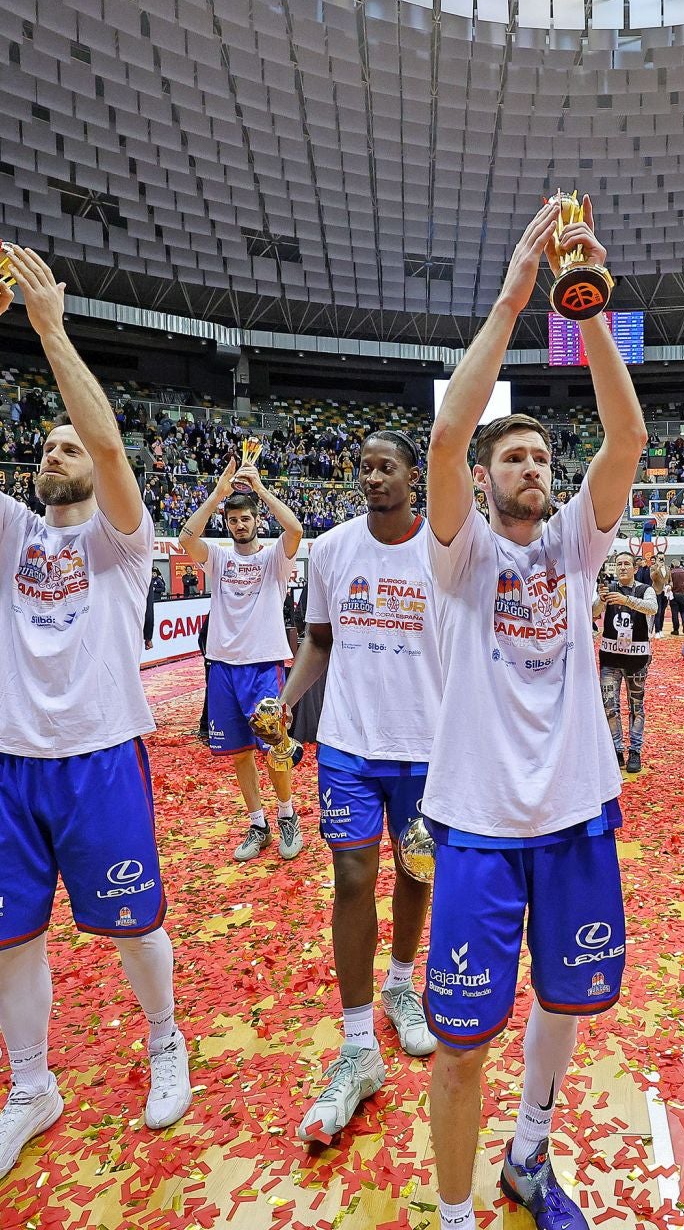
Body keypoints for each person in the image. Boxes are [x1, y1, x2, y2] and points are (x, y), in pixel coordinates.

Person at [0, 246, 189, 1194]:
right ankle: (31, 1088)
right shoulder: (6, 531)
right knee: (10, 936)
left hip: (98, 754)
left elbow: (111, 449)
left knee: (127, 925)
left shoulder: (122, 542)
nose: (57, 452)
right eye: (47, 447)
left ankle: (164, 1040)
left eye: (65, 444)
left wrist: (48, 325)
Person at [421, 197, 645, 1230]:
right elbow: (449, 427)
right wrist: (519, 291)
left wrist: (585, 295)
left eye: (542, 458)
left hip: (572, 809)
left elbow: (628, 433)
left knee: (564, 997)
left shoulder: (573, 548)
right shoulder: (463, 553)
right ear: (483, 478)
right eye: (514, 457)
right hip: (475, 814)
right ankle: (459, 1214)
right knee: (462, 1036)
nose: (533, 466)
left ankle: (528, 1150)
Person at [278, 429, 440, 1145]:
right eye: (364, 467)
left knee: (415, 871)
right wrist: (286, 700)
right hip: (348, 742)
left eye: (386, 467)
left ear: (414, 477)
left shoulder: (444, 547)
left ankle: (403, 984)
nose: (373, 477)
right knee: (350, 876)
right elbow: (319, 638)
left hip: (425, 746)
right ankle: (355, 1040)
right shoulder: (334, 547)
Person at [178, 459, 305, 861]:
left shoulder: (273, 560)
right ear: (227, 524)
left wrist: (261, 489)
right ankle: (257, 822)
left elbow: (296, 529)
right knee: (239, 753)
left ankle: (287, 815)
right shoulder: (216, 558)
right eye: (233, 520)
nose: (239, 525)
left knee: (275, 748)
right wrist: (217, 494)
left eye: (246, 518)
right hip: (222, 667)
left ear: (256, 521)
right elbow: (185, 538)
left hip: (263, 664)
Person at [596, 551, 658, 774]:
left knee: (636, 707)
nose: (622, 567)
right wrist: (601, 602)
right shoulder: (608, 589)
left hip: (637, 659)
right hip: (610, 659)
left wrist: (626, 601)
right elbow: (592, 613)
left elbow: (653, 608)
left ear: (634, 568)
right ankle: (616, 750)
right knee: (609, 707)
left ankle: (635, 750)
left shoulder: (645, 589)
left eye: (626, 564)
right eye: (618, 564)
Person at [668, 556, 684, 634]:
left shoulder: (671, 573)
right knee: (683, 610)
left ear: (673, 565)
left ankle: (676, 629)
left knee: (674, 613)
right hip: (683, 594)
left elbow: (669, 583)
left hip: (674, 593)